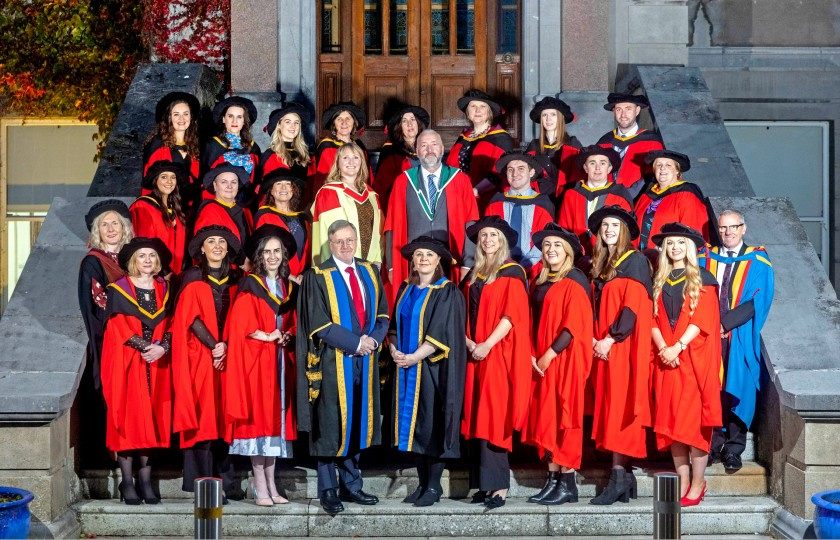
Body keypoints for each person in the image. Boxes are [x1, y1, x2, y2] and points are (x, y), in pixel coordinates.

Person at [296, 220, 390, 514]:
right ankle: (328, 489)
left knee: (357, 422)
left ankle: (352, 485)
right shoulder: (318, 276)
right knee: (329, 425)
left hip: (365, 360)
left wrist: (372, 342)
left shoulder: (369, 272)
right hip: (333, 361)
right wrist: (355, 343)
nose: (345, 246)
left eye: (350, 240)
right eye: (339, 242)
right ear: (330, 244)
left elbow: (383, 315)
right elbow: (319, 323)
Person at [388, 236, 467, 507]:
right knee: (413, 429)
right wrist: (394, 350)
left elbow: (440, 334)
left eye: (429, 255)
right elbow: (394, 328)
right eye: (418, 254)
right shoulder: (405, 290)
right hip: (406, 368)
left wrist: (413, 357)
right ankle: (422, 484)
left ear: (438, 261)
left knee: (430, 425)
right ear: (412, 260)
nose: (423, 258)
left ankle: (434, 486)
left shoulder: (447, 291)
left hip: (432, 370)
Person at [225, 225, 299, 506]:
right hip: (257, 362)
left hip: (280, 362)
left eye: (276, 251)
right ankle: (259, 484)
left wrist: (288, 334)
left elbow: (292, 321)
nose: (272, 256)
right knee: (260, 419)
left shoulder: (287, 287)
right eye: (267, 251)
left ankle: (271, 483)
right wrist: (268, 335)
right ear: (259, 255)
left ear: (284, 255)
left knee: (275, 421)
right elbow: (241, 324)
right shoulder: (250, 284)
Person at [461, 215, 530, 510]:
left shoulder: (511, 272)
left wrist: (487, 344)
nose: (488, 240)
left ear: (502, 242)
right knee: (476, 416)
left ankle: (499, 486)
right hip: (473, 353)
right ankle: (482, 485)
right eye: (484, 236)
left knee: (494, 415)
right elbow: (461, 313)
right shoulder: (474, 273)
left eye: (493, 236)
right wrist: (469, 343)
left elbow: (511, 316)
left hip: (497, 353)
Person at [650, 222, 722, 506]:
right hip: (666, 360)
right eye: (670, 243)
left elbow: (703, 318)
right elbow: (650, 319)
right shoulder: (659, 278)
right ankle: (682, 480)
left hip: (691, 360)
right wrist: (663, 348)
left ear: (689, 247)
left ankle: (699, 481)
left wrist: (677, 346)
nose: (675, 247)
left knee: (693, 425)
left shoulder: (701, 277)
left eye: (680, 242)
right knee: (671, 424)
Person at [521, 223, 593, 506]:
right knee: (545, 417)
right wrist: (530, 354)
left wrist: (548, 355)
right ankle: (552, 480)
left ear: (568, 252)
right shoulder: (539, 279)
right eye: (547, 245)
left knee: (565, 418)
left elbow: (573, 326)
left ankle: (568, 482)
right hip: (539, 358)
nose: (551, 250)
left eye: (557, 246)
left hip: (563, 359)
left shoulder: (575, 279)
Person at [587, 205, 653, 505]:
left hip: (622, 346)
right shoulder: (600, 263)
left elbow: (633, 307)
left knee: (621, 405)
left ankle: (617, 477)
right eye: (604, 226)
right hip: (604, 345)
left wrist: (610, 339)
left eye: (615, 225)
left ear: (625, 230)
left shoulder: (635, 260)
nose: (609, 229)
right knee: (612, 405)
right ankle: (626, 478)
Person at [171, 225, 242, 500]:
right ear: (201, 248)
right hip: (201, 356)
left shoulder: (238, 277)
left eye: (221, 242)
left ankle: (225, 482)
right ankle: (203, 482)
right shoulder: (191, 277)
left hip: (230, 356)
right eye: (210, 242)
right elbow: (189, 317)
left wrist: (227, 346)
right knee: (204, 416)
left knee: (225, 415)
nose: (216, 246)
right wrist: (216, 346)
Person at [101, 237, 174, 505]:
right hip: (128, 363)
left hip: (155, 365)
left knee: (150, 421)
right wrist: (147, 347)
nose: (147, 260)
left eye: (151, 256)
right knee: (129, 420)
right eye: (141, 256)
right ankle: (127, 482)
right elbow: (117, 327)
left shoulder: (163, 288)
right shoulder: (119, 289)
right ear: (133, 260)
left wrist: (163, 347)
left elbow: (171, 323)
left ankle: (146, 481)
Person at [700, 210, 774, 472]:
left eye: (733, 227)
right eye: (722, 228)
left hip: (738, 334)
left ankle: (733, 449)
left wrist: (724, 324)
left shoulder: (758, 259)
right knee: (711, 390)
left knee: (737, 389)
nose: (728, 232)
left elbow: (757, 300)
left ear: (744, 228)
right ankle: (711, 445)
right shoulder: (705, 258)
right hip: (707, 335)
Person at [383, 129, 479, 306]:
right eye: (424, 145)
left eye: (434, 144)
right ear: (417, 151)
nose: (429, 149)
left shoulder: (460, 180)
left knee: (446, 309)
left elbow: (470, 222)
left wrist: (468, 262)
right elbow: (391, 226)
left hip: (451, 259)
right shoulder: (403, 181)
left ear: (442, 149)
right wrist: (391, 265)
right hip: (415, 262)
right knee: (416, 309)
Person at [77, 200, 133, 468]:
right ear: (97, 231)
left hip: (139, 340)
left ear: (124, 228)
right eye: (104, 224)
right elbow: (100, 302)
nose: (111, 229)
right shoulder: (93, 262)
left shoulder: (135, 257)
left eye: (115, 223)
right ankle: (113, 454)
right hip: (110, 337)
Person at [311, 142, 383, 267]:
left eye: (356, 157)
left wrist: (378, 259)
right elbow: (331, 235)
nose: (351, 162)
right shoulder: (329, 192)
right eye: (345, 158)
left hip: (370, 265)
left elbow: (379, 230)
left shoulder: (371, 194)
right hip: (341, 266)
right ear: (338, 163)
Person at [485, 152, 555, 277]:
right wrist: (502, 265)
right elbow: (488, 240)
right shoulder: (495, 203)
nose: (515, 174)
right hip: (497, 269)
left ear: (532, 172)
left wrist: (522, 267)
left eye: (521, 169)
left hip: (534, 271)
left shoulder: (543, 204)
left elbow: (544, 241)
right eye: (510, 170)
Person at [557, 145, 633, 256]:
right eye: (592, 163)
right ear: (585, 168)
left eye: (603, 163)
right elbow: (563, 229)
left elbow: (625, 235)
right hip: (576, 257)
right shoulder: (572, 195)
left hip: (609, 257)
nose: (597, 168)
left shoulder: (620, 196)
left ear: (609, 168)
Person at [445, 89, 514, 209]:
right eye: (473, 106)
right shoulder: (463, 137)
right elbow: (451, 167)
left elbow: (500, 173)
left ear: (489, 112)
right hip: (458, 198)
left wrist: (474, 192)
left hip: (485, 199)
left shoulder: (501, 138)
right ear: (468, 112)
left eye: (482, 106)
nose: (477, 110)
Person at [635, 150, 711, 253]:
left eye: (668, 165)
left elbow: (692, 231)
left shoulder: (687, 194)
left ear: (677, 170)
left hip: (670, 257)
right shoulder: (646, 196)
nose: (662, 168)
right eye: (658, 165)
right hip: (641, 257)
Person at [143, 92, 202, 210]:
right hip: (165, 206)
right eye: (176, 114)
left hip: (190, 206)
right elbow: (150, 182)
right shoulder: (157, 146)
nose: (182, 119)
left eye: (186, 114)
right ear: (169, 118)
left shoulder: (195, 145)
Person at [597, 92, 664, 197]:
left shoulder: (651, 142)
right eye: (619, 109)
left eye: (628, 109)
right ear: (613, 111)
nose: (623, 115)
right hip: (604, 199)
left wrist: (628, 196)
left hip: (637, 200)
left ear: (637, 111)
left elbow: (654, 177)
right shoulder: (604, 141)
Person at [130, 161, 188, 275]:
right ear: (155, 180)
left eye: (173, 177)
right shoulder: (143, 206)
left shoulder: (174, 208)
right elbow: (145, 245)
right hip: (156, 274)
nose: (169, 181)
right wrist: (164, 272)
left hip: (175, 275)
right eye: (164, 177)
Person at [254, 170, 311, 281]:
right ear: (271, 190)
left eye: (288, 184)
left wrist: (305, 273)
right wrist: (289, 276)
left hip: (301, 279)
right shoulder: (264, 216)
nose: (283, 188)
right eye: (279, 184)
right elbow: (261, 254)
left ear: (293, 189)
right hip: (275, 279)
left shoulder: (302, 218)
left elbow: (307, 251)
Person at [202, 96, 261, 199]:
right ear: (224, 119)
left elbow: (257, 179)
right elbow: (205, 178)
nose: (235, 121)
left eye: (239, 117)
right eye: (230, 116)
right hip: (219, 201)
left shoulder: (253, 147)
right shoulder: (213, 145)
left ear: (244, 121)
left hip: (246, 202)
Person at [373, 104, 430, 210]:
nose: (409, 124)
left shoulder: (428, 148)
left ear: (418, 123)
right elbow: (382, 187)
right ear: (399, 126)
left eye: (412, 119)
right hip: (401, 207)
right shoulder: (390, 151)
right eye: (404, 121)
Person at [193, 164, 255, 262]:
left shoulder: (245, 210)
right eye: (224, 182)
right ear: (215, 185)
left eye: (234, 182)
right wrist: (242, 261)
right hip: (222, 270)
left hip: (246, 270)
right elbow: (211, 248)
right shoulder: (209, 211)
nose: (229, 186)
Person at [525, 96, 582, 198]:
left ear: (561, 118)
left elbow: (579, 178)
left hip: (564, 199)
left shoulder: (572, 144)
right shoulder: (534, 145)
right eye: (544, 115)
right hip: (539, 201)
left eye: (553, 114)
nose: (548, 119)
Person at [260, 102, 317, 204]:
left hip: (304, 210)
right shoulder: (271, 156)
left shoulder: (307, 156)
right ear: (279, 126)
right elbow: (265, 193)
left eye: (296, 122)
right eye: (288, 122)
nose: (293, 126)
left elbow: (312, 188)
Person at [315, 101, 373, 190]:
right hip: (336, 195)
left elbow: (367, 177)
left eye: (348, 118)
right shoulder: (327, 147)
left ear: (354, 122)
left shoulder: (360, 147)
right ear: (334, 123)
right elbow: (323, 180)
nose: (344, 123)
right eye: (339, 119)